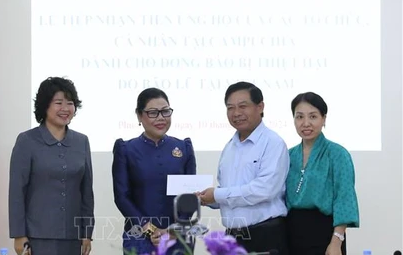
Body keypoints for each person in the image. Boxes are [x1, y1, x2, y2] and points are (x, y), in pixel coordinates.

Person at [197, 81, 290, 255]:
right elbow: (230, 192)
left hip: (265, 236)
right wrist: (207, 199)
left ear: (260, 106)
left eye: (243, 106)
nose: (236, 113)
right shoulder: (229, 147)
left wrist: (216, 194)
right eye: (230, 108)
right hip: (233, 238)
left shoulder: (273, 143)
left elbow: (264, 190)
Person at [9, 77, 94, 255]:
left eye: (70, 103)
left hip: (73, 236)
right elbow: (17, 191)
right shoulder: (27, 141)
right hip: (37, 237)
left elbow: (86, 192)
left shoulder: (82, 142)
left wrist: (87, 233)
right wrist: (19, 234)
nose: (65, 109)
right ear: (45, 105)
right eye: (58, 103)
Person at [112, 87, 197, 255]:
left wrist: (173, 230)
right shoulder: (126, 149)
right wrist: (150, 229)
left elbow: (190, 195)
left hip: (178, 237)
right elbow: (122, 197)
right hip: (138, 235)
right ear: (139, 115)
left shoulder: (184, 147)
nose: (160, 118)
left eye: (165, 112)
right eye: (153, 112)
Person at [286, 92, 359, 255]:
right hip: (290, 232)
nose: (306, 123)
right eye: (299, 117)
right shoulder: (288, 155)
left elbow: (344, 199)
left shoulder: (337, 154)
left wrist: (336, 242)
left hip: (324, 234)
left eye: (313, 116)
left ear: (324, 119)